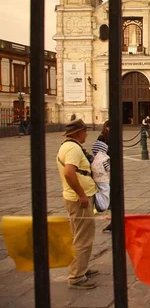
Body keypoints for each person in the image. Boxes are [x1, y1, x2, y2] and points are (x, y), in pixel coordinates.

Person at [56, 119, 98, 290]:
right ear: (78, 133)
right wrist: (81, 194)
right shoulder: (73, 148)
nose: (86, 134)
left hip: (73, 197)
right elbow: (69, 172)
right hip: (78, 199)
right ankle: (76, 277)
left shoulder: (66, 146)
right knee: (83, 238)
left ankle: (81, 267)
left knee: (78, 235)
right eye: (85, 131)